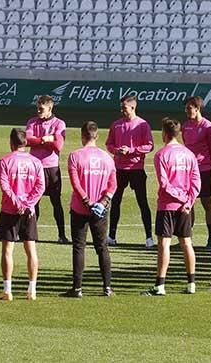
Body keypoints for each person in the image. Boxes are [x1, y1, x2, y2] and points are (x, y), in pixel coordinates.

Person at [142, 118, 200, 297]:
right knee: (187, 243)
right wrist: (189, 201)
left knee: (164, 244)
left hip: (168, 205)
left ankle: (160, 285)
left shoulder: (162, 155)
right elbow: (196, 181)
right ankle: (191, 283)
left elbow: (164, 184)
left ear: (164, 134)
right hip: (185, 207)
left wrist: (182, 198)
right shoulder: (189, 154)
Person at [63, 122, 117, 298]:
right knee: (102, 247)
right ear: (97, 136)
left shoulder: (75, 156)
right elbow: (113, 184)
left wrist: (86, 200)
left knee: (79, 247)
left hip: (80, 208)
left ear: (82, 135)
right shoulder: (107, 158)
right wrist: (103, 201)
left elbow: (75, 182)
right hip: (100, 210)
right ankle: (107, 287)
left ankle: (77, 288)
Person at [0, 128, 45, 302]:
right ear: (26, 143)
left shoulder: (4, 161)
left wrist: (17, 203)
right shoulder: (36, 162)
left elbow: (5, 185)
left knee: (8, 250)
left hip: (10, 209)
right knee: (31, 249)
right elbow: (40, 187)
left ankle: (7, 290)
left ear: (11, 142)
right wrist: (29, 204)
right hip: (29, 211)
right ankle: (32, 290)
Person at [105, 94, 155, 248]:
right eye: (121, 108)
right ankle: (112, 236)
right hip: (119, 169)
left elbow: (149, 145)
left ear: (133, 107)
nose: (122, 111)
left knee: (142, 203)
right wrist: (116, 151)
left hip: (136, 169)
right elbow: (109, 144)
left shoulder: (142, 125)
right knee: (116, 202)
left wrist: (132, 150)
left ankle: (149, 237)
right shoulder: (116, 125)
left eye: (124, 108)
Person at [25, 95, 68, 243]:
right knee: (33, 202)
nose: (38, 111)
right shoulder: (32, 122)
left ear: (50, 108)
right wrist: (46, 139)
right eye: (37, 108)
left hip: (51, 168)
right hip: (35, 168)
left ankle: (62, 235)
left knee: (56, 202)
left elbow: (58, 146)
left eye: (41, 109)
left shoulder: (59, 123)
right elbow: (27, 141)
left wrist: (40, 141)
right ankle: (30, 234)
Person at [181, 96, 211, 249]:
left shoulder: (209, 128)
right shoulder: (186, 126)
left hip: (202, 169)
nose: (186, 111)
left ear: (197, 108)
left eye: (189, 108)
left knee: (206, 202)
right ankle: (187, 236)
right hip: (187, 170)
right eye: (185, 108)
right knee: (187, 202)